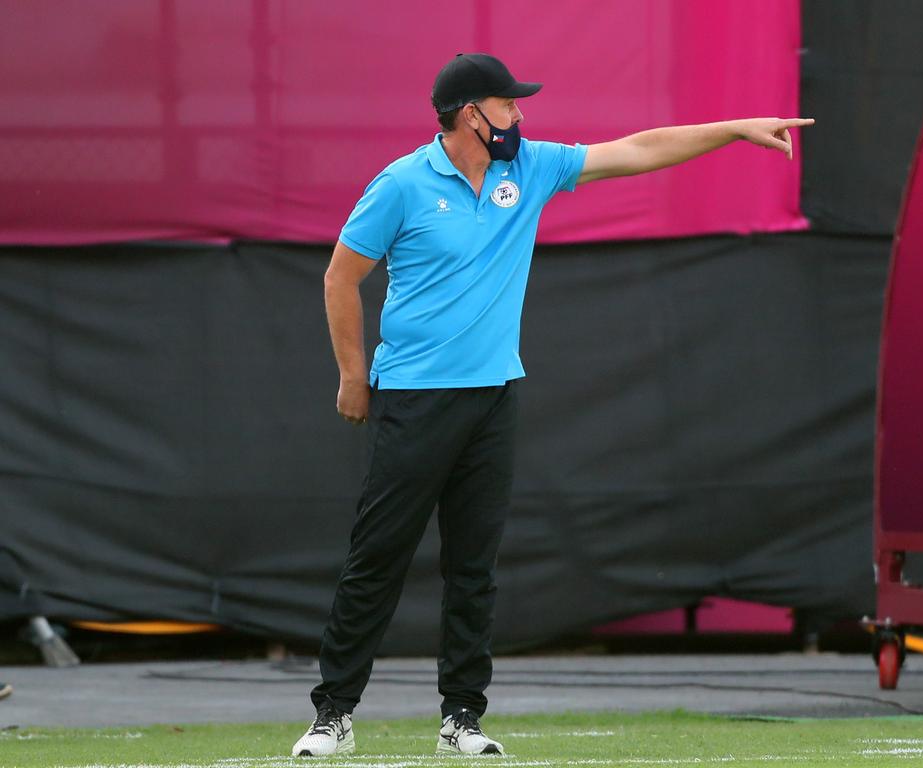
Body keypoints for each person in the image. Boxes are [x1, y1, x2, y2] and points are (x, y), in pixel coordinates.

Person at [292, 52, 814, 758]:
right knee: (377, 558)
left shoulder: (528, 168)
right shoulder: (402, 185)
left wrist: (735, 128)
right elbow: (339, 277)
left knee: (474, 567)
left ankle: (462, 719)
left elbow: (636, 150)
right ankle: (334, 716)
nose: (521, 115)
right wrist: (354, 378)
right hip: (412, 400)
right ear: (471, 114)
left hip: (493, 400)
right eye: (508, 105)